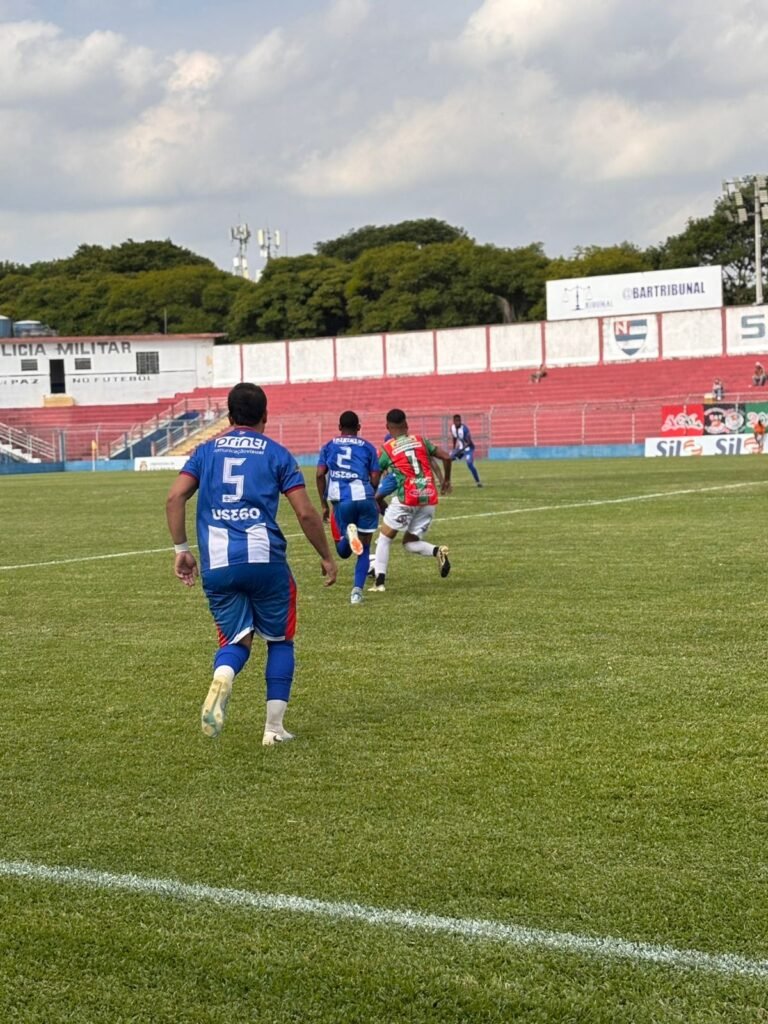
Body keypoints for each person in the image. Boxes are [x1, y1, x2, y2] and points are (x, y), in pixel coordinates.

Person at [165, 382, 337, 745]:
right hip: (265, 561)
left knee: (237, 641)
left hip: (218, 565)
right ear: (265, 415)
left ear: (229, 417)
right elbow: (306, 513)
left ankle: (224, 676)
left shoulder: (205, 451)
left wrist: (181, 549)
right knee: (280, 641)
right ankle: (274, 729)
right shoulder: (277, 454)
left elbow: (175, 497)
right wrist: (325, 555)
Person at [368, 408, 453, 593]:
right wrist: (446, 480)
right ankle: (437, 551)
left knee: (384, 539)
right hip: (428, 498)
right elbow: (447, 457)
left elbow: (375, 475)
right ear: (406, 424)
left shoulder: (387, 448)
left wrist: (372, 492)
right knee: (409, 543)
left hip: (406, 499)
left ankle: (379, 583)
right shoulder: (421, 440)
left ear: (387, 427)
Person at [316, 410, 380, 605]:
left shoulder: (329, 446)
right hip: (364, 496)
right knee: (364, 548)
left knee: (343, 551)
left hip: (342, 500)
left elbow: (319, 474)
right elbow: (375, 476)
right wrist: (370, 491)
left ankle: (347, 535)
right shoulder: (368, 447)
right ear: (358, 427)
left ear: (339, 427)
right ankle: (356, 593)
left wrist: (324, 504)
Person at [450, 414, 482, 487]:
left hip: (468, 449)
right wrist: (454, 449)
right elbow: (454, 437)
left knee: (469, 463)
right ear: (454, 421)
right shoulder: (452, 428)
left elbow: (469, 442)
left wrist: (460, 451)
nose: (458, 422)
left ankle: (478, 482)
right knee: (448, 459)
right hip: (460, 448)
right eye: (456, 421)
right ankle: (446, 481)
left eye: (459, 421)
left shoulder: (465, 429)